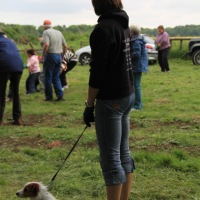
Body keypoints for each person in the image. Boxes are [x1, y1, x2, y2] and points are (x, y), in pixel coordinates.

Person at [83, 1, 135, 199]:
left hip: (112, 99)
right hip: (127, 94)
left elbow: (97, 73)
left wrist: (89, 105)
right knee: (123, 152)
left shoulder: (102, 30)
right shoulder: (123, 25)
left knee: (111, 158)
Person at [0, 28, 23, 125]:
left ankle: (0, 120)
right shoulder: (9, 41)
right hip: (18, 66)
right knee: (15, 92)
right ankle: (17, 118)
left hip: (4, 66)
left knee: (1, 92)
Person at [40, 20, 67, 101]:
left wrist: (42, 55)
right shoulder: (59, 32)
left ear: (44, 26)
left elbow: (46, 44)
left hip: (50, 55)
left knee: (47, 77)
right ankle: (60, 96)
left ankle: (49, 97)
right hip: (59, 55)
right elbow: (65, 46)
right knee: (56, 77)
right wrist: (62, 56)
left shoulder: (46, 32)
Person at [130, 24, 148, 111]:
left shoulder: (136, 41)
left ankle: (138, 106)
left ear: (132, 32)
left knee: (136, 85)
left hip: (137, 66)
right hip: (137, 65)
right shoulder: (137, 39)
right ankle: (135, 104)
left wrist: (128, 55)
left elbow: (136, 55)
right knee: (135, 85)